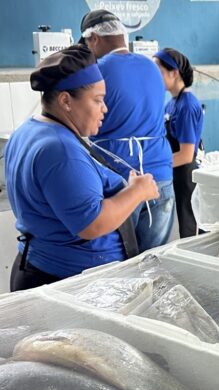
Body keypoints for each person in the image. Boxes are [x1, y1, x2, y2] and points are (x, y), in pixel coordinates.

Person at [4, 44, 158, 291]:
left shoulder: (27, 131)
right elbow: (92, 224)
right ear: (65, 100)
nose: (104, 109)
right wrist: (137, 192)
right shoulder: (60, 150)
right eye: (97, 100)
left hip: (42, 267)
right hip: (68, 282)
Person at [80, 10, 175, 251]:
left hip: (122, 178)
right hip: (160, 175)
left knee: (122, 263)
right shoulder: (152, 67)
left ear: (94, 39)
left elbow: (85, 124)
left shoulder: (97, 72)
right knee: (154, 258)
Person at [153, 47, 205, 238]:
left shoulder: (187, 105)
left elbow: (186, 154)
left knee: (188, 228)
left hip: (185, 175)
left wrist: (155, 167)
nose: (153, 75)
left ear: (174, 72)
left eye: (157, 70)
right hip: (174, 173)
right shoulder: (171, 103)